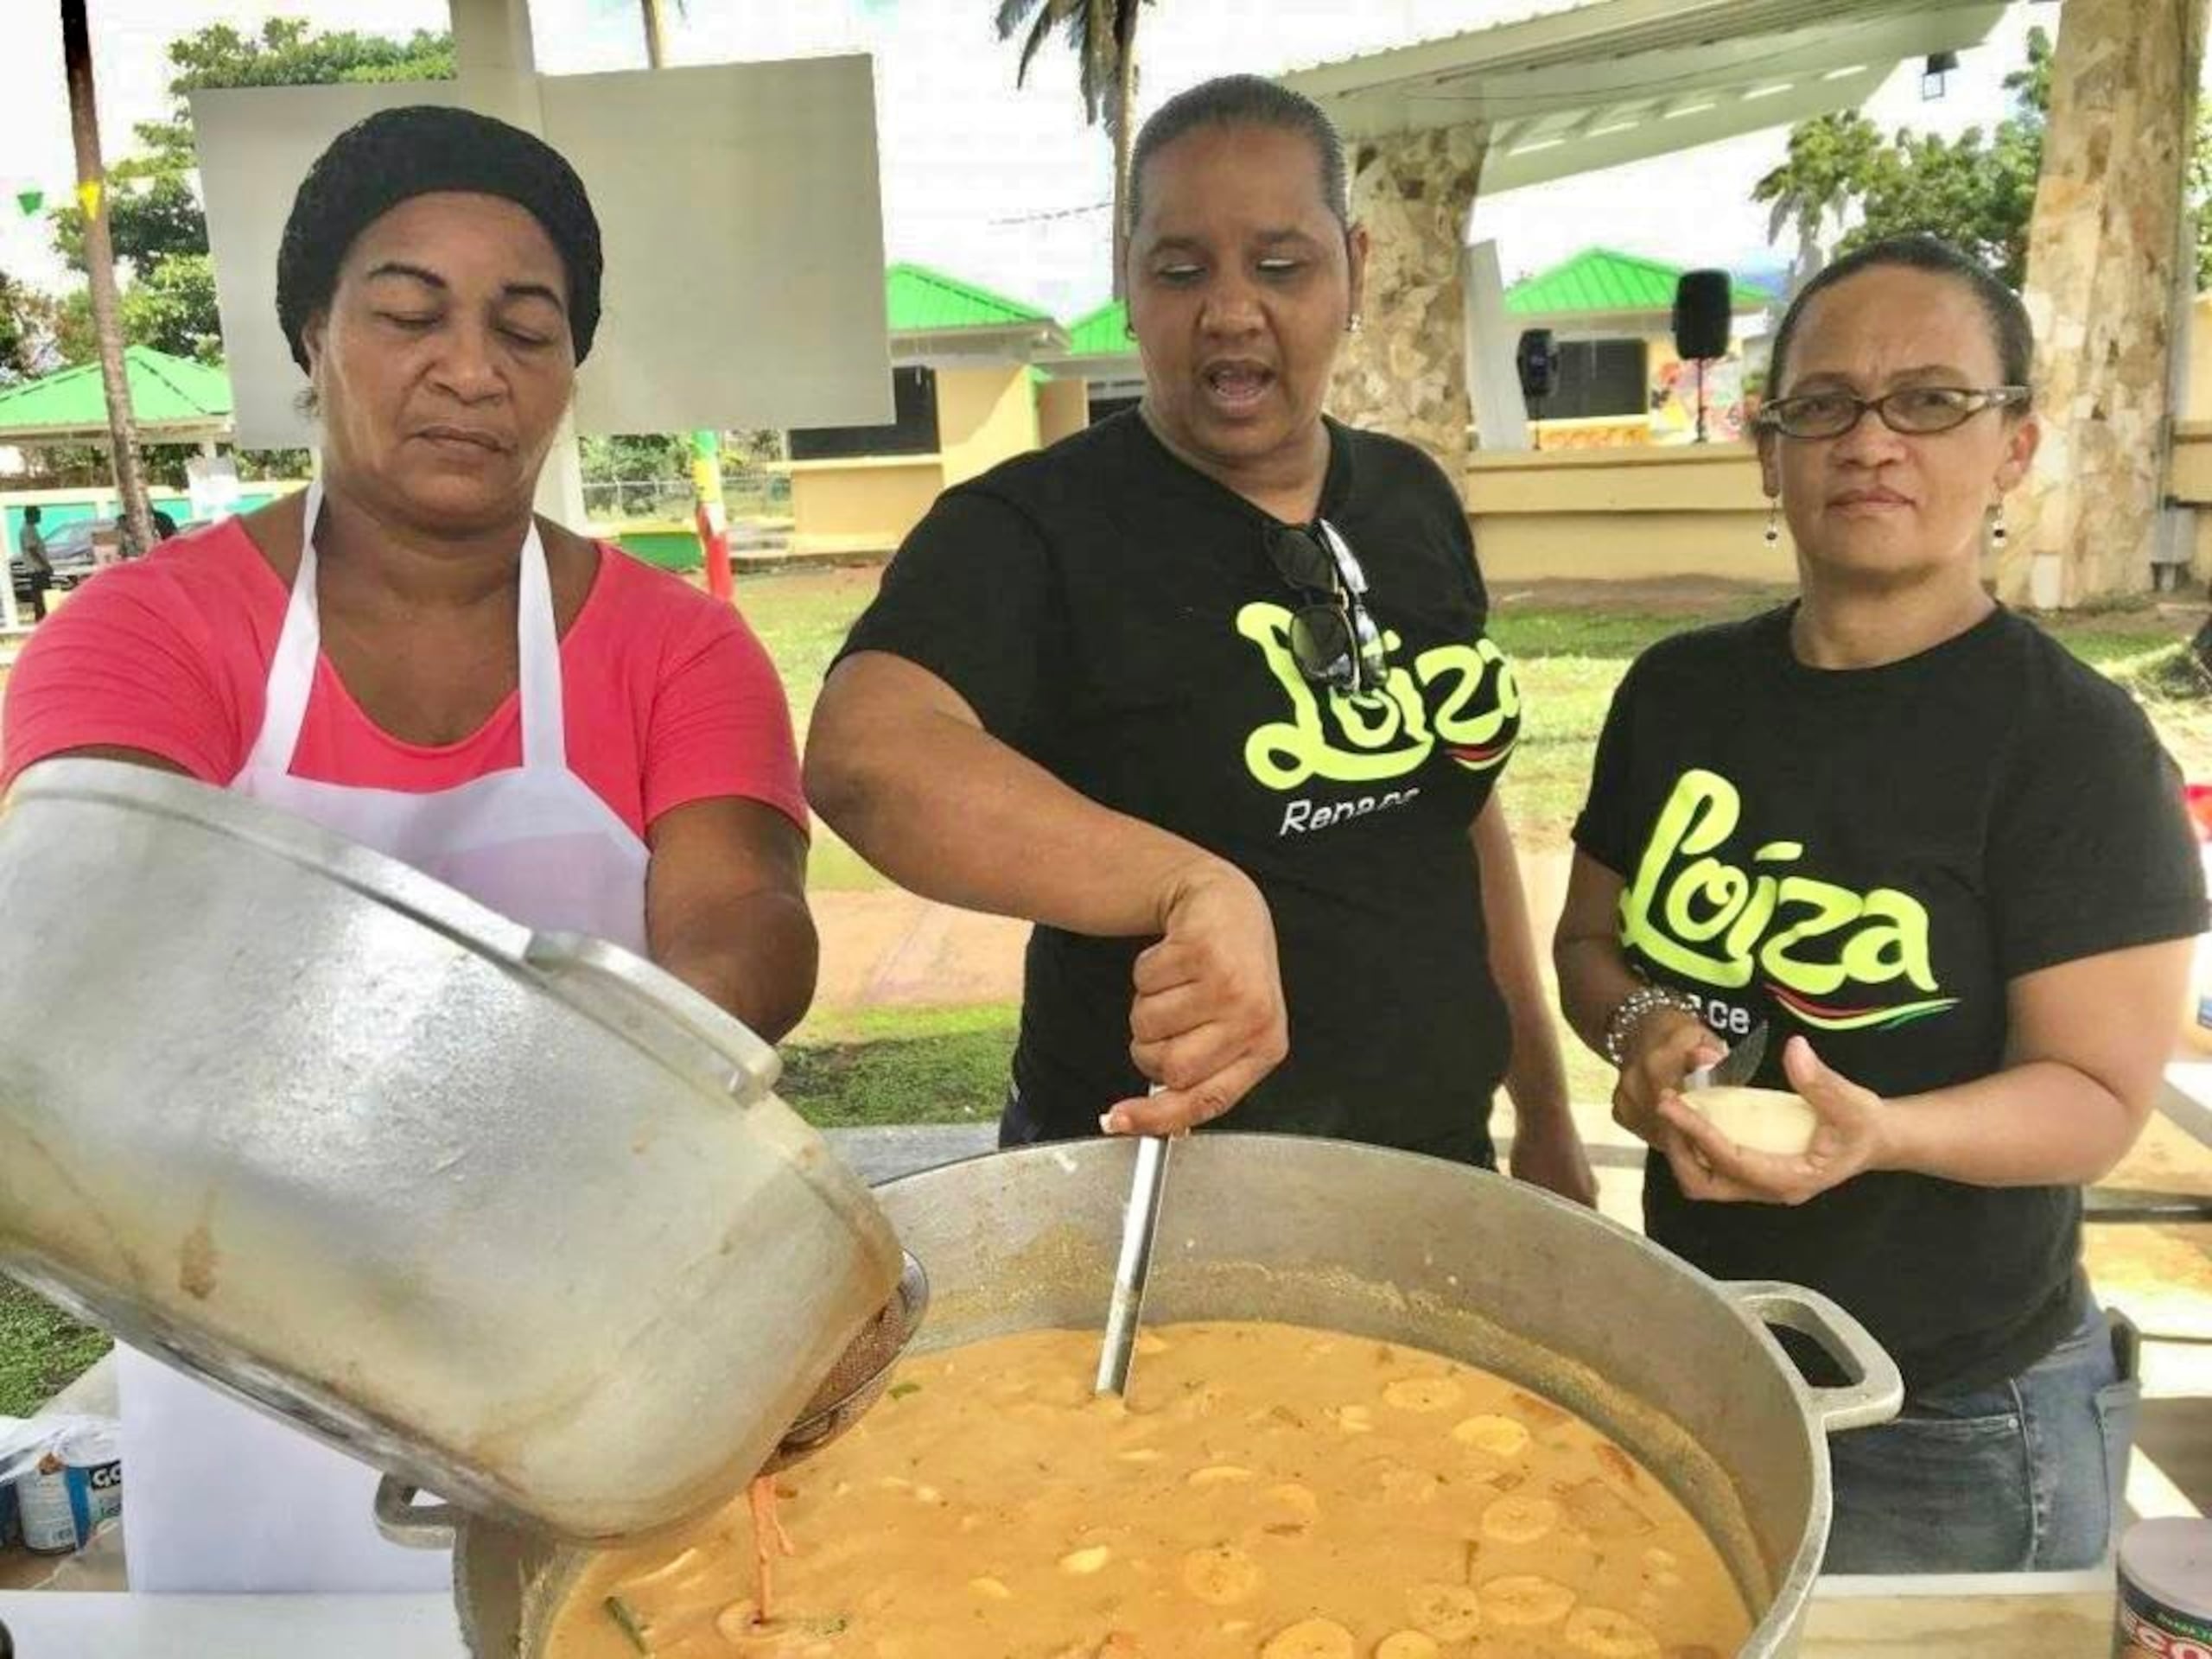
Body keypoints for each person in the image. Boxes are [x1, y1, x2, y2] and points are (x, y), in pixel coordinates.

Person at [1, 105, 815, 1594]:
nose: (470, 369)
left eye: (529, 327)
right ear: (312, 334)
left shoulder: (676, 650)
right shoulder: (146, 631)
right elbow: (106, 933)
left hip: (583, 1362)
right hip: (243, 1366)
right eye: (407, 312)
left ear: (571, 370)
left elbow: (745, 931)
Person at [806, 76, 1591, 1196]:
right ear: (1128, 284)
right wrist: (1187, 884)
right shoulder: (1032, 527)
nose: (1231, 310)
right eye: (1182, 270)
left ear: (1355, 271)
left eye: (1281, 266)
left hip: (1434, 1170)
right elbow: (866, 756)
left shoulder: (1413, 502)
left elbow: (1458, 815)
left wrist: (1547, 1113)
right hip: (1150, 1198)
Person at [1553, 233, 2205, 1573]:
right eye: (1824, 404)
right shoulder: (1677, 696)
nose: (1871, 441)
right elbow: (1589, 944)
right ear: (1770, 449)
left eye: (1930, 399)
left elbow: (2094, 1100)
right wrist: (1640, 1036)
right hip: (1714, 1355)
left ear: (2012, 445)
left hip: (1956, 1416)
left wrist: (1883, 1133)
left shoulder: (2069, 748)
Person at [16, 505, 50, 621]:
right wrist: (45, 565)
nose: (40, 517)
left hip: (39, 569)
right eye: (38, 514)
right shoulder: (27, 530)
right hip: (37, 570)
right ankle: (41, 619)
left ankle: (42, 618)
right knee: (41, 597)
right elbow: (32, 550)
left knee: (42, 597)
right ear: (31, 515)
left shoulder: (32, 528)